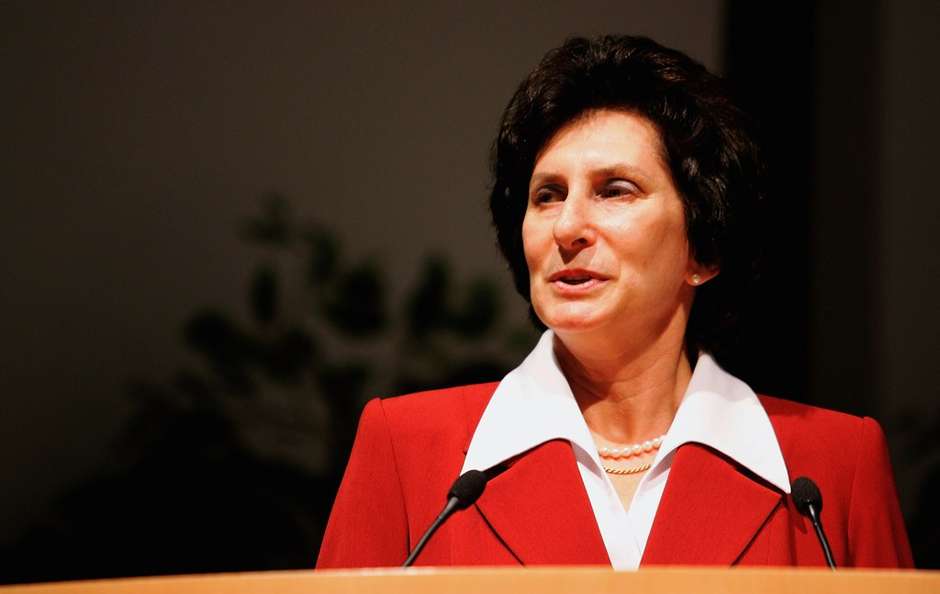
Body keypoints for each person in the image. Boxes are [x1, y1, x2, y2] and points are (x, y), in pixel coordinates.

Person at [316, 35, 913, 569]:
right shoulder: (407, 449)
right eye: (547, 195)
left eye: (614, 191)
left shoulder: (833, 470)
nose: (567, 227)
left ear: (703, 250)